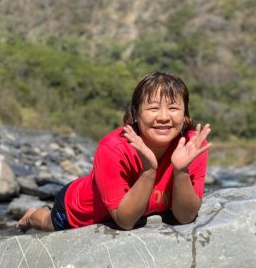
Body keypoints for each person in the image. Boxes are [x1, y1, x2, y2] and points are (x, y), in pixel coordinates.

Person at [17, 71, 211, 232]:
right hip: (79, 209)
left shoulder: (192, 146)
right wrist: (149, 170)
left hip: (140, 207)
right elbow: (125, 221)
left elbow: (185, 217)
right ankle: (33, 214)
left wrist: (181, 172)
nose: (163, 117)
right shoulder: (113, 148)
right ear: (135, 114)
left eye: (173, 108)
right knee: (49, 223)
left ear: (185, 114)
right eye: (153, 108)